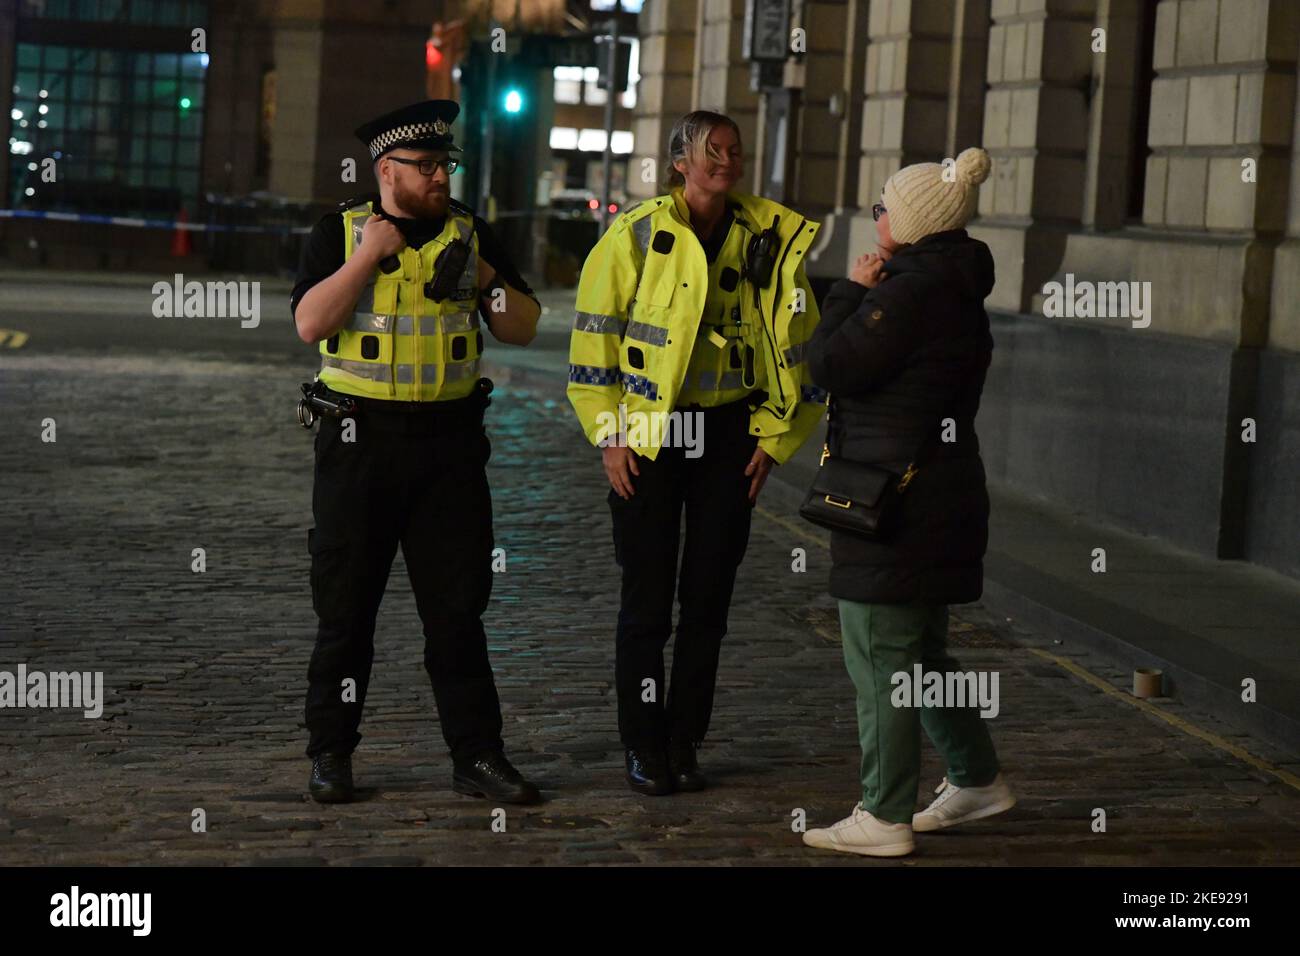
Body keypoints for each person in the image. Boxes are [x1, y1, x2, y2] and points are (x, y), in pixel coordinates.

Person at [567, 110, 827, 795]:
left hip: (728, 439)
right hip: (651, 440)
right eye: (714, 151)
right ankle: (643, 743)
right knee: (646, 605)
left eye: (735, 151)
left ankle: (685, 740)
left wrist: (774, 439)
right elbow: (593, 344)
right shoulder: (635, 235)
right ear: (680, 161)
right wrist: (609, 436)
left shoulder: (768, 236)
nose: (727, 162)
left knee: (708, 600)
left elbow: (798, 347)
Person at [290, 99, 542, 805]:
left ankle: (479, 757)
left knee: (458, 615)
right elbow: (311, 322)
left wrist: (487, 276)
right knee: (346, 614)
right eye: (425, 165)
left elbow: (523, 328)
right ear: (385, 171)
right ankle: (331, 755)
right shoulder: (339, 232)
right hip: (358, 446)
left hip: (449, 451)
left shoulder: (472, 233)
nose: (439, 176)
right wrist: (369, 256)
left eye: (445, 163)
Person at [800, 147, 1015, 856]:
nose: (877, 215)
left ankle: (883, 814)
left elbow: (827, 367)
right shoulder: (954, 288)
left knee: (880, 658)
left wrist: (848, 294)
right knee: (920, 655)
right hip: (940, 492)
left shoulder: (904, 295)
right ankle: (976, 777)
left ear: (915, 221)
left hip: (893, 502)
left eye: (884, 206)